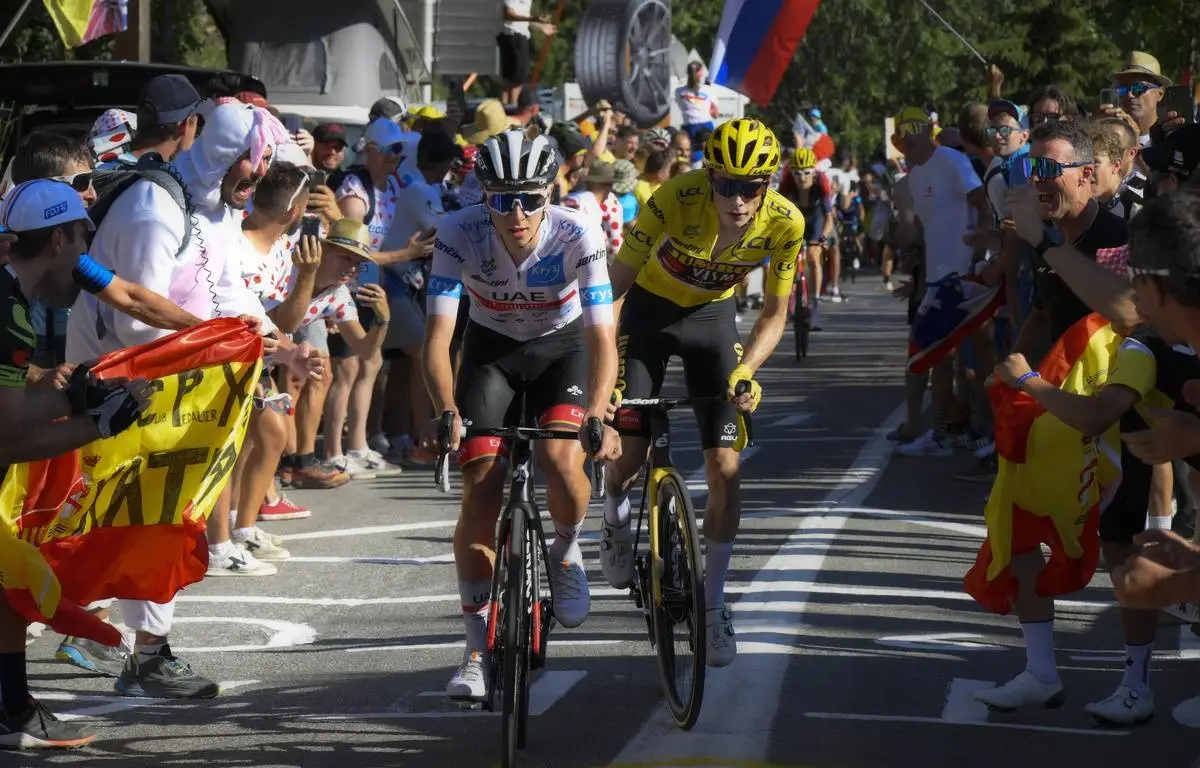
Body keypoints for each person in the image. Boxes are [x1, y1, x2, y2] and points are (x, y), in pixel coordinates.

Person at [422, 129, 621, 700]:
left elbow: (602, 336)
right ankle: (476, 653)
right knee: (480, 485)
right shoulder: (458, 232)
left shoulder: (578, 231)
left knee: (561, 456)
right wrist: (447, 408)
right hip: (492, 352)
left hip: (564, 349)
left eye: (530, 198)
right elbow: (439, 338)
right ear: (482, 197)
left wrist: (602, 410)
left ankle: (565, 547)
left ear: (550, 194)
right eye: (501, 199)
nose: (516, 213)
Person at [603, 118, 803, 667]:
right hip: (647, 314)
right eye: (727, 184)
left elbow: (774, 312)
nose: (738, 198)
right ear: (709, 177)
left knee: (725, 466)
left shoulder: (787, 223)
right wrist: (602, 374)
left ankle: (714, 605)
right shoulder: (674, 197)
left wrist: (749, 371)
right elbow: (616, 284)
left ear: (769, 184)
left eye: (752, 186)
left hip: (712, 319)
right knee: (631, 447)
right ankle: (615, 510)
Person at [0, 180, 152, 750]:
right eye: (84, 236)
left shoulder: (10, 295)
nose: (88, 250)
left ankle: (12, 707)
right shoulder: (9, 309)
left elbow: (13, 408)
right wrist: (99, 424)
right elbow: (7, 440)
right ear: (60, 238)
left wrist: (75, 399)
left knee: (8, 579)